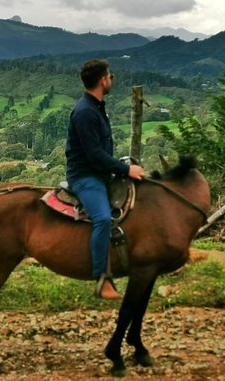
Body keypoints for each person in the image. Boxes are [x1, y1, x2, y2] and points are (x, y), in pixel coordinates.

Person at [65, 59, 146, 300]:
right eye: (110, 76)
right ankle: (102, 279)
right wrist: (125, 170)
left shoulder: (97, 107)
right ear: (103, 80)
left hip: (99, 172)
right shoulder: (86, 112)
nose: (111, 79)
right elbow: (94, 155)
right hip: (85, 176)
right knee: (101, 218)